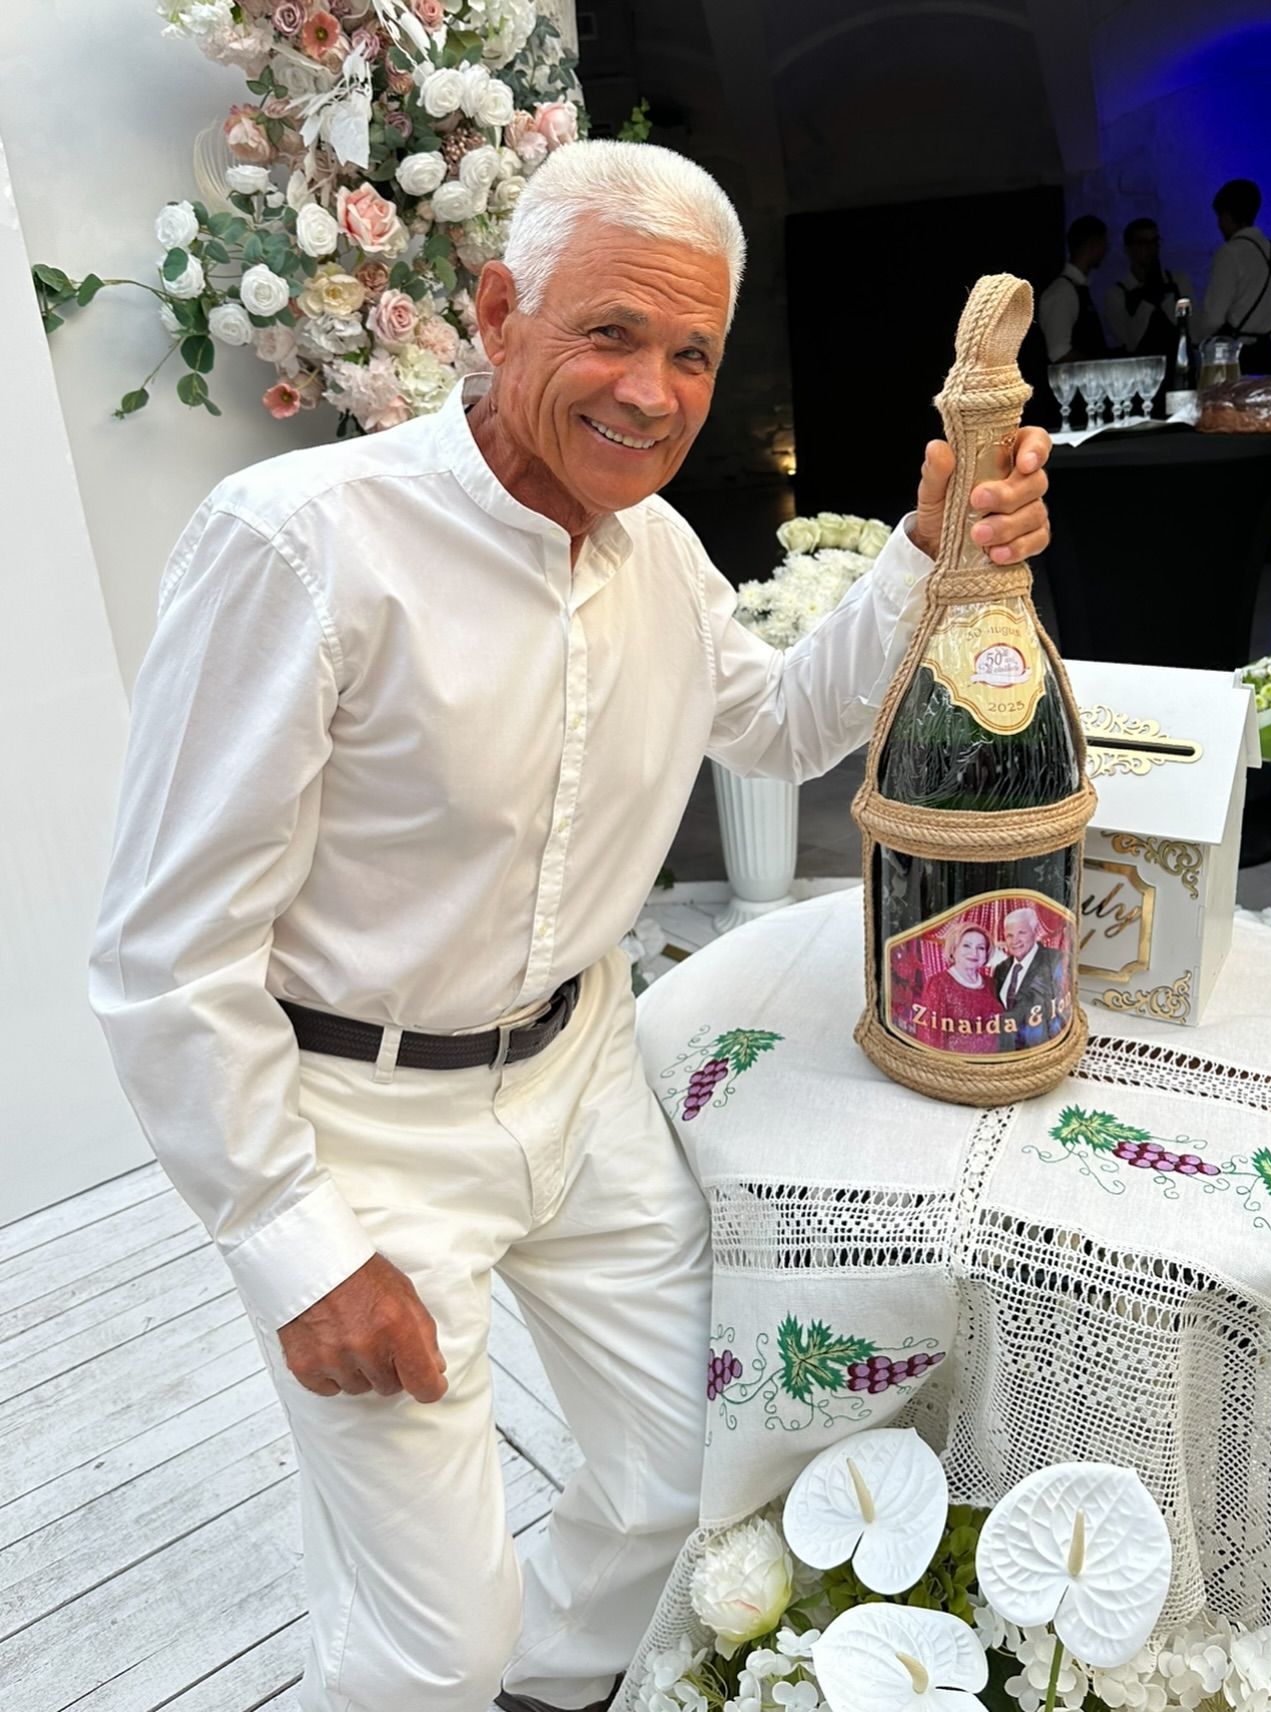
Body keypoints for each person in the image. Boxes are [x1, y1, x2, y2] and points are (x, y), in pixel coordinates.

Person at [87, 141, 1052, 1712]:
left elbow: (780, 727)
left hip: (580, 1076)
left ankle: (555, 1686)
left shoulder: (653, 549)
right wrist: (293, 1245)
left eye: (692, 354)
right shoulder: (300, 542)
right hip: (359, 1123)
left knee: (687, 1475)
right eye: (609, 332)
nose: (653, 393)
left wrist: (921, 550)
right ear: (495, 312)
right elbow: (162, 953)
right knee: (428, 1650)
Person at [1197, 178, 1271, 374]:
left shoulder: (1229, 253)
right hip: (1269, 355)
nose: (1219, 224)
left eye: (1219, 217)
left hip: (1235, 358)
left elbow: (1213, 319)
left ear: (1227, 215)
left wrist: (1196, 340)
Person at [1104, 217, 1193, 359]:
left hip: (1178, 364)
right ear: (1128, 249)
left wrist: (1163, 298)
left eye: (1154, 242)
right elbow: (1129, 342)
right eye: (1143, 243)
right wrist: (1148, 302)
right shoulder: (1117, 294)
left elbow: (1191, 329)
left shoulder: (1178, 281)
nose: (1151, 248)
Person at [917, 921, 1005, 1055]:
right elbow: (930, 1037)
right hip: (955, 1064)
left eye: (981, 948)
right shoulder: (938, 984)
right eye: (966, 945)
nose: (974, 953)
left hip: (994, 1063)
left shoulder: (991, 983)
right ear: (953, 950)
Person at [1038, 215, 1110, 364]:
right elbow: (1059, 353)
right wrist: (1101, 367)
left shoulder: (1077, 289)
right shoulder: (1063, 292)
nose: (1106, 249)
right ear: (1093, 244)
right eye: (1104, 243)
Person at [992, 905, 1066, 1051]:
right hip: (1005, 1051)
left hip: (1041, 1050)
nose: (1015, 940)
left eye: (1022, 932)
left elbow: (1057, 1011)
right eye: (1010, 935)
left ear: (1035, 932)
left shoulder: (1054, 960)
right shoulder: (1001, 969)